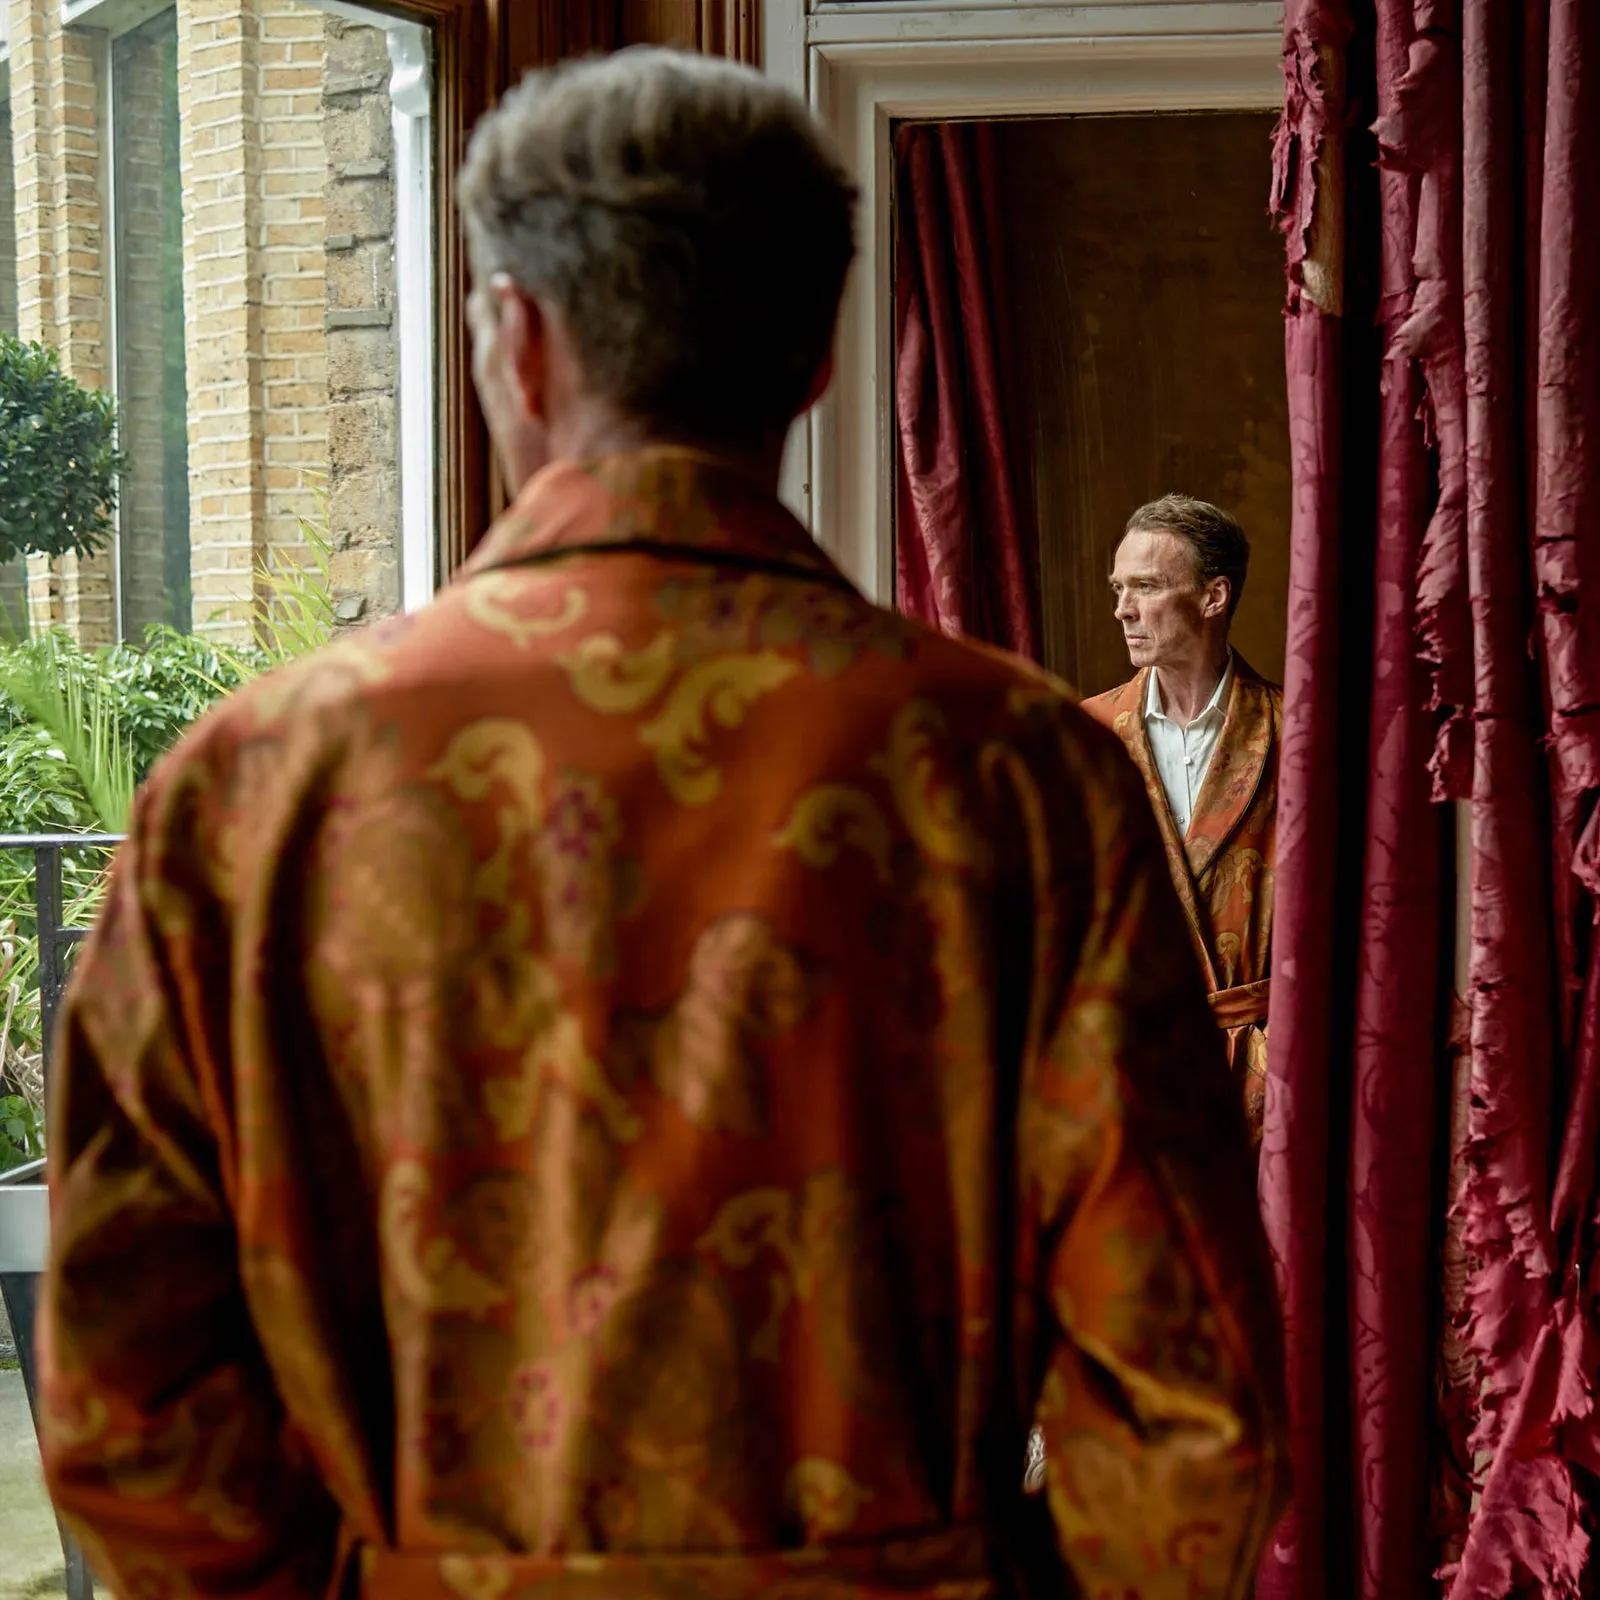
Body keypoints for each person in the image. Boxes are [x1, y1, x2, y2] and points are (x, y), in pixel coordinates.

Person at [37, 51, 1287, 1600]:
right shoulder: (1025, 775)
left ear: (513, 335)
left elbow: (124, 1384)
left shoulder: (256, 786)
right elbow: (1189, 1393)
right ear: (819, 358)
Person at [1084, 496, 1283, 1144]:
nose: (1122, 608)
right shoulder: (1084, 735)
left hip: (1267, 1081)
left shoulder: (1295, 734)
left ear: (1213, 596)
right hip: (1121, 1079)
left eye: (1145, 587)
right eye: (1119, 588)